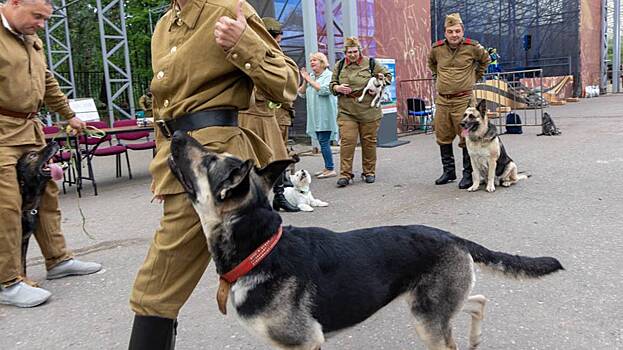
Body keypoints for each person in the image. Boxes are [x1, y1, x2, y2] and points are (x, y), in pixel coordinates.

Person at [127, 1, 299, 348]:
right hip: (182, 157)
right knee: (260, 264)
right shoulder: (164, 25)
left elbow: (288, 83)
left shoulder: (228, 9)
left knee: (157, 284)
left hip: (213, 164)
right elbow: (164, 105)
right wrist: (162, 169)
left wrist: (242, 42)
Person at [0, 0, 102, 308]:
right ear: (15, 3)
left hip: (29, 129)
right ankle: (8, 281)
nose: (41, 24)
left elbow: (46, 80)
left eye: (45, 18)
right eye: (37, 16)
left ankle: (57, 260)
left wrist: (68, 114)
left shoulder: (30, 37)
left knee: (46, 196)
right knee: (6, 205)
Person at [238, 16, 299, 212]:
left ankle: (279, 197)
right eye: (275, 38)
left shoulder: (274, 54)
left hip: (268, 114)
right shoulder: (248, 50)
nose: (277, 42)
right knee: (251, 163)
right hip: (248, 113)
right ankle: (256, 203)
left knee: (277, 159)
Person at [427, 13, 490, 189]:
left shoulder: (473, 47)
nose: (454, 34)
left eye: (457, 31)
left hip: (464, 100)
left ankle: (467, 174)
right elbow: (431, 64)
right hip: (442, 100)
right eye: (450, 31)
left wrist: (474, 77)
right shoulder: (436, 49)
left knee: (465, 137)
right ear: (445, 33)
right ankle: (448, 172)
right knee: (442, 135)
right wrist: (437, 77)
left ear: (462, 31)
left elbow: (485, 61)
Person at [330, 37, 391, 187]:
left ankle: (369, 172)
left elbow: (388, 77)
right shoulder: (339, 65)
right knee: (347, 142)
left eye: (355, 51)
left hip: (368, 109)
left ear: (359, 51)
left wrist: (379, 82)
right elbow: (332, 84)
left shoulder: (370, 63)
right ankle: (345, 174)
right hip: (347, 110)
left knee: (369, 142)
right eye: (349, 52)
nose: (352, 54)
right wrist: (337, 88)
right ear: (345, 52)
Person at [298, 52, 338, 178]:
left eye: (315, 60)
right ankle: (327, 167)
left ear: (322, 62)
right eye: (311, 61)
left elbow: (324, 90)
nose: (312, 63)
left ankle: (330, 168)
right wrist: (305, 80)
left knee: (324, 141)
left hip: (325, 114)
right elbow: (301, 93)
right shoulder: (312, 77)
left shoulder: (329, 75)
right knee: (322, 142)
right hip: (315, 115)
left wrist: (309, 79)